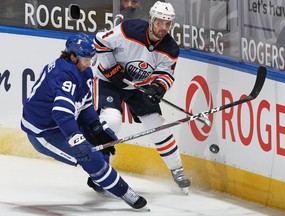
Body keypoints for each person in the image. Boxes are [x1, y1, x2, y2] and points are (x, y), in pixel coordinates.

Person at [21, 33, 147, 209]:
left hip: (64, 120)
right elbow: (61, 113)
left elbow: (85, 105)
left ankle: (100, 183)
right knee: (88, 154)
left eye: (91, 59)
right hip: (44, 132)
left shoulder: (83, 70)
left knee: (104, 137)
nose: (89, 63)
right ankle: (125, 192)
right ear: (72, 57)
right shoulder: (63, 74)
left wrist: (96, 128)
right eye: (85, 59)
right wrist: (75, 138)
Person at [92, 1, 191, 192]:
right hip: (109, 81)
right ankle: (101, 171)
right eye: (160, 22)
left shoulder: (170, 48)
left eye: (167, 24)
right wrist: (112, 69)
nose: (163, 28)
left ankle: (177, 169)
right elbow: (100, 41)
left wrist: (158, 88)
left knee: (159, 125)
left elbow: (166, 74)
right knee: (111, 121)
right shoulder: (130, 29)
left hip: (138, 86)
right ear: (152, 20)